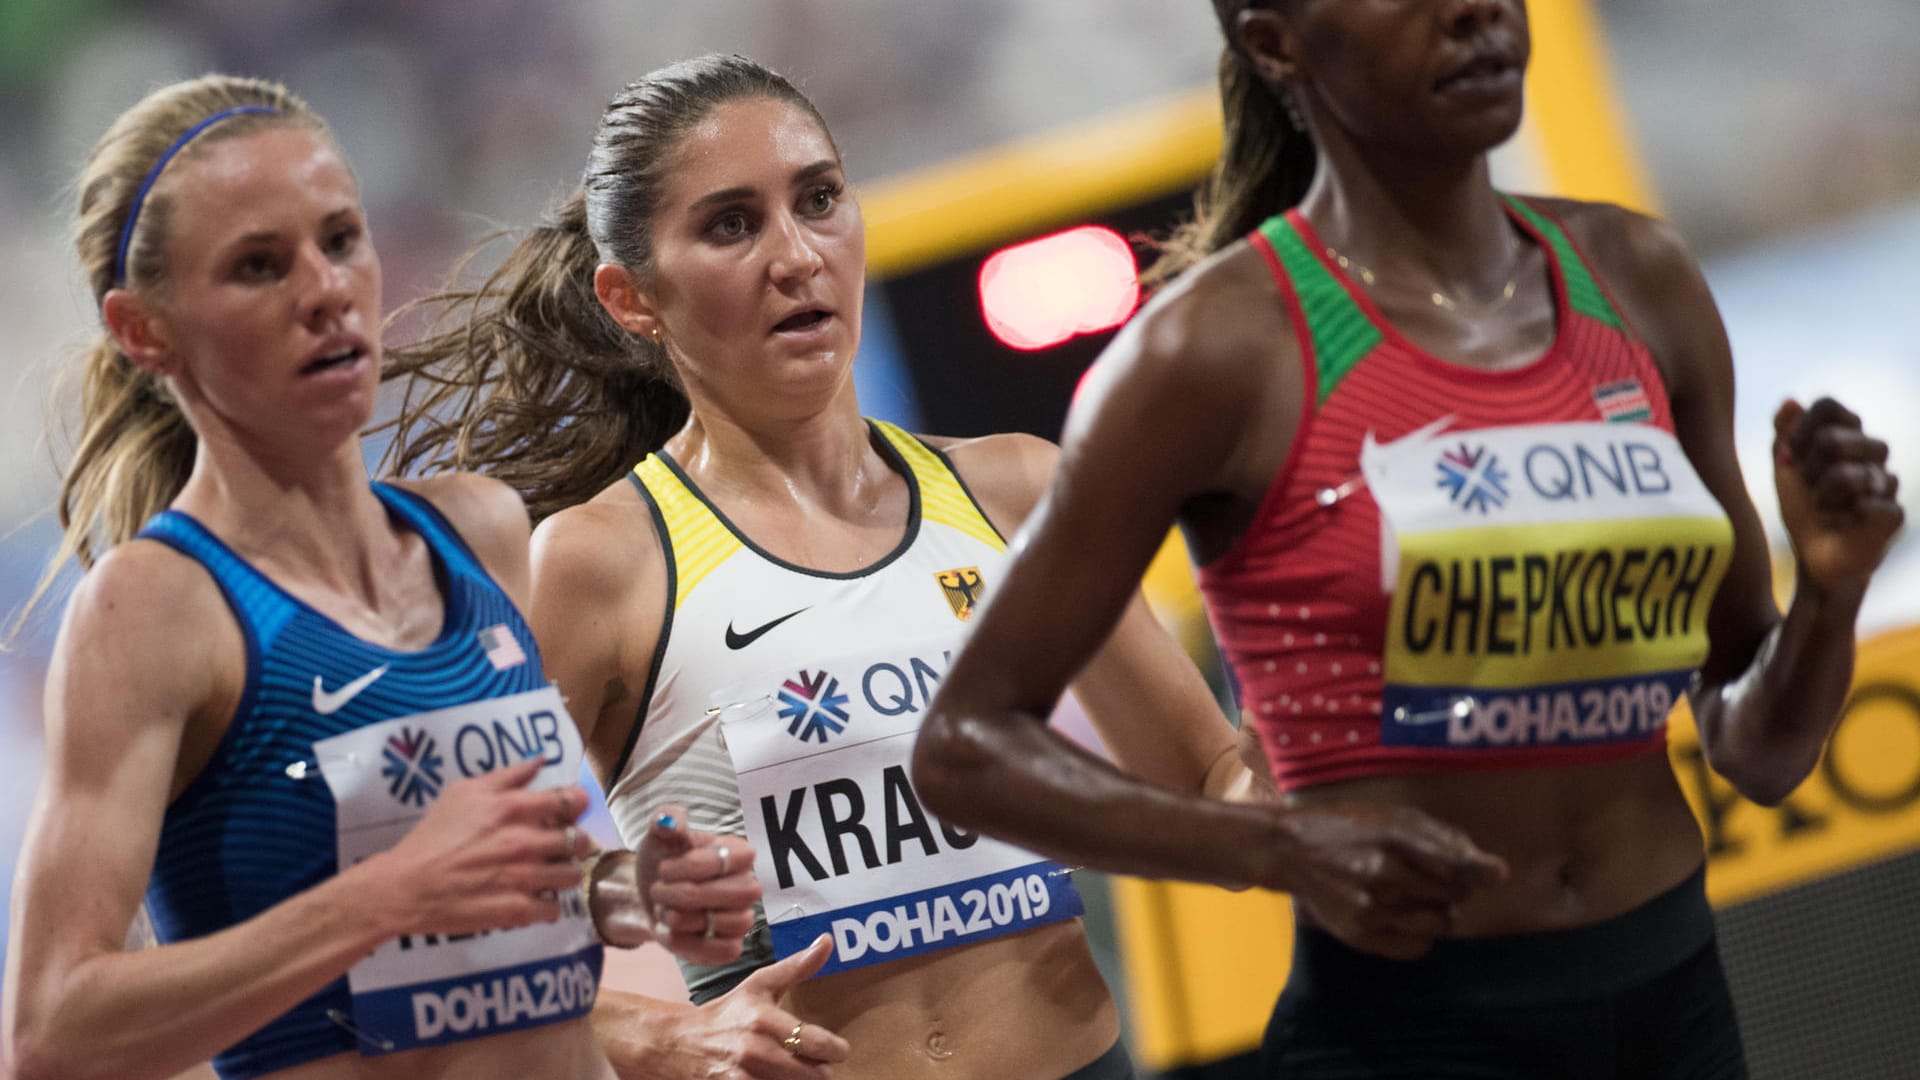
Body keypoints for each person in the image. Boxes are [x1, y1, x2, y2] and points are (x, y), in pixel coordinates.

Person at [914, 2, 1906, 1077]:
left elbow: (1757, 749)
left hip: (1674, 1005)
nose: (1476, 10)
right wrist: (1274, 847)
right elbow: (966, 747)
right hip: (1406, 1032)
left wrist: (1830, 591)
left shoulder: (1638, 279)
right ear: (1274, 38)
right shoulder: (1215, 350)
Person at [381, 52, 1293, 1080]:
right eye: (732, 224)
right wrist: (651, 1034)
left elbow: (1214, 784)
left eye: (819, 200)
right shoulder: (600, 561)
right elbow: (424, 917)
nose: (797, 254)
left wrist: (1335, 734)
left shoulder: (1018, 493)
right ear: (631, 297)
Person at [0, 74, 761, 1080]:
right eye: (258, 266)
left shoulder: (477, 532)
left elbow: (508, 886)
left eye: (340, 239)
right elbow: (50, 1032)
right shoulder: (159, 606)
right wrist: (385, 896)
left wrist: (630, 895)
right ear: (145, 330)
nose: (323, 289)